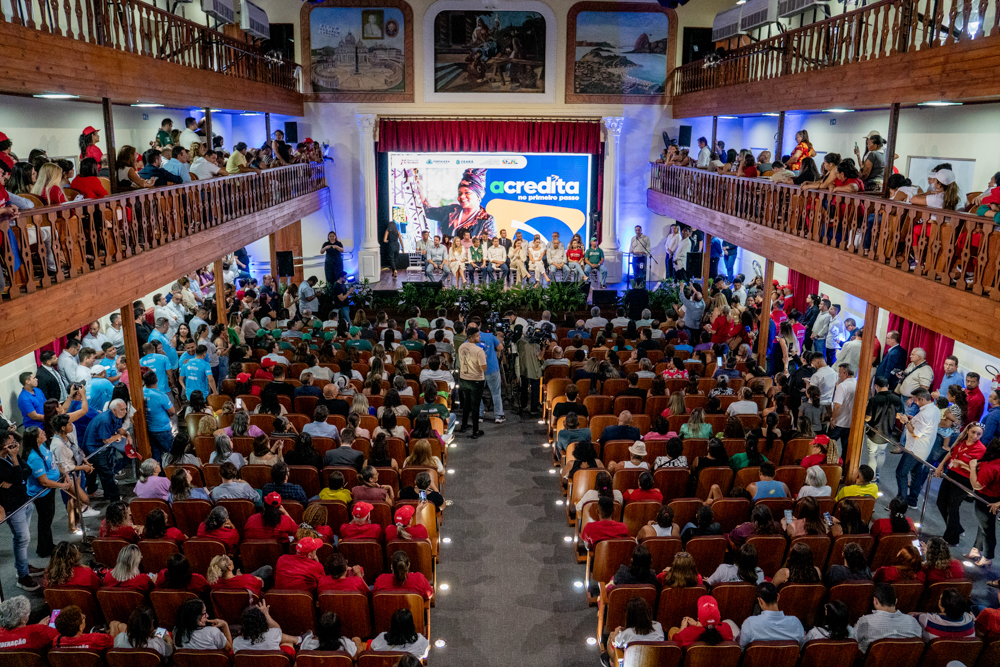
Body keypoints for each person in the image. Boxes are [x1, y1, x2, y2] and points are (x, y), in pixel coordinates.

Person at [0, 433, 39, 592]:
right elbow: (19, 477)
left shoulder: (10, 457)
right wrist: (16, 464)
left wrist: (15, 479)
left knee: (23, 539)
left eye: (15, 443)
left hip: (24, 501)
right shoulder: (4, 462)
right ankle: (22, 575)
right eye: (11, 444)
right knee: (22, 539)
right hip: (13, 508)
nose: (15, 446)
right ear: (2, 447)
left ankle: (22, 565)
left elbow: (27, 471)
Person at [895, 388, 937, 507]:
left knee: (901, 473)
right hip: (925, 449)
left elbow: (916, 434)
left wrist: (905, 422)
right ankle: (912, 500)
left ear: (922, 399)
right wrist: (913, 420)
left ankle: (901, 501)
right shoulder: (934, 409)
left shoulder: (924, 414)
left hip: (914, 449)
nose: (915, 402)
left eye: (916, 400)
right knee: (916, 474)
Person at [855, 583, 922, 652]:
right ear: (896, 601)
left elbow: (853, 641)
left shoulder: (865, 621)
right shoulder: (913, 622)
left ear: (875, 601)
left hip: (873, 662)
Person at [738, 582, 805, 648]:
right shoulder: (796, 622)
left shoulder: (750, 622)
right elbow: (800, 647)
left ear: (760, 601)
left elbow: (741, 648)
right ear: (778, 596)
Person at [604, 597, 664, 664]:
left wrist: (615, 631)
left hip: (633, 663)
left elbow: (614, 641)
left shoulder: (627, 633)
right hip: (655, 663)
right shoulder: (658, 626)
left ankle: (612, 662)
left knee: (611, 639)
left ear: (629, 616)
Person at [458, 325, 488, 438]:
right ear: (471, 337)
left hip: (464, 378)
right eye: (477, 336)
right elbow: (483, 368)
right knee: (475, 406)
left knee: (466, 403)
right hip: (476, 379)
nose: (479, 337)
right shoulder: (479, 350)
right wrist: (484, 358)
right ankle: (475, 431)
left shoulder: (462, 347)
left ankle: (464, 425)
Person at [52, 604, 123, 651]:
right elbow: (113, 641)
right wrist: (113, 625)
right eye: (83, 617)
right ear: (80, 627)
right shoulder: (96, 639)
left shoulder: (57, 641)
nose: (85, 617)